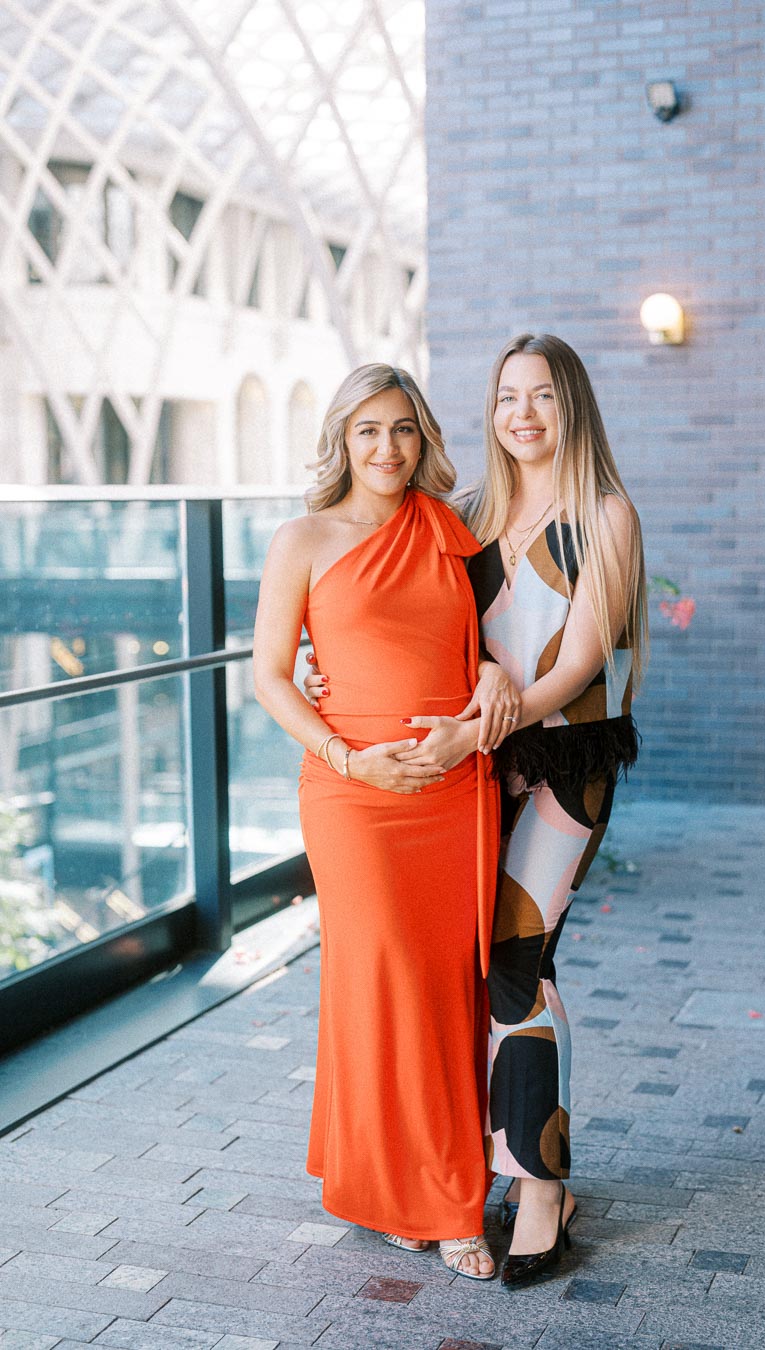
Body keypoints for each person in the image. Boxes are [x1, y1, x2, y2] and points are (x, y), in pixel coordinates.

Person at [307, 334, 647, 1290]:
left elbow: (578, 660)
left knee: (514, 966)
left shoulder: (606, 517)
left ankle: (543, 1187)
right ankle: (488, 1163)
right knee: (469, 969)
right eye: (507, 397)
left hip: (564, 762)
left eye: (542, 396)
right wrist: (318, 671)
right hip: (477, 773)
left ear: (571, 407)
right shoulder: (467, 514)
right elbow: (425, 623)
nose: (523, 414)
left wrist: (490, 715)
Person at [253, 364, 520, 1280]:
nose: (387, 447)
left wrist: (491, 681)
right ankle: (419, 1193)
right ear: (342, 440)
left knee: (448, 989)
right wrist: (343, 755)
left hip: (456, 785)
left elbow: (494, 645)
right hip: (353, 792)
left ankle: (437, 1190)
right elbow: (273, 678)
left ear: (424, 438)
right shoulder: (304, 538)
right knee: (385, 981)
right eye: (367, 430)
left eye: (403, 429)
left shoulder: (454, 528)